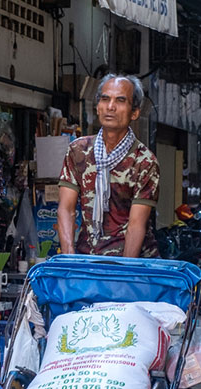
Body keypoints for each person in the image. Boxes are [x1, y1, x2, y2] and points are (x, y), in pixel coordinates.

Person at [56, 73, 160, 257]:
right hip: (88, 256)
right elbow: (66, 209)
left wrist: (123, 274)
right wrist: (69, 260)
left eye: (120, 100)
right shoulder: (78, 151)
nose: (110, 107)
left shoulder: (144, 161)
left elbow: (136, 224)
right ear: (97, 107)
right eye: (105, 99)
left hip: (133, 262)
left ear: (134, 112)